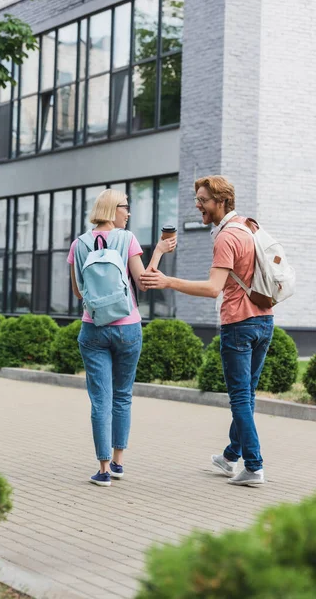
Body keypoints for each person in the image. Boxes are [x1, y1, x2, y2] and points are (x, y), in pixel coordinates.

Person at [141, 175, 274, 487]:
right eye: (197, 199)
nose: (197, 205)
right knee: (248, 395)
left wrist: (167, 281)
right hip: (265, 319)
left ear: (221, 202)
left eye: (202, 200)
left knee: (240, 398)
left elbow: (214, 288)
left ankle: (253, 467)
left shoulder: (227, 237)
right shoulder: (248, 226)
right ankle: (230, 457)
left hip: (239, 324)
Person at [68, 189, 176, 486]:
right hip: (128, 326)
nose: (128, 213)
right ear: (112, 209)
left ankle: (102, 470)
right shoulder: (127, 239)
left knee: (100, 399)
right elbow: (142, 283)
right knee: (123, 395)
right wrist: (159, 252)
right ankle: (118, 463)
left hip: (93, 328)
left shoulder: (79, 244)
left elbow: (78, 291)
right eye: (125, 207)